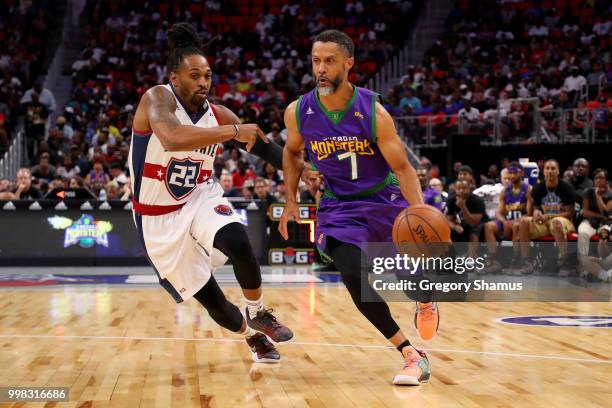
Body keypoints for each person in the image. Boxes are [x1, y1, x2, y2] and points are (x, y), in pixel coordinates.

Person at [128, 23, 298, 364]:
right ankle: (250, 335)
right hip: (156, 219)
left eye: (207, 75)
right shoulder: (157, 99)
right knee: (215, 303)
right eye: (195, 75)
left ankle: (258, 311)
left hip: (198, 197)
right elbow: (173, 138)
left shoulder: (216, 114)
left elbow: (263, 147)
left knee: (238, 241)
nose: (204, 82)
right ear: (175, 78)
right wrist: (234, 130)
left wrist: (302, 170)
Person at [279, 30, 433, 386]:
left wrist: (420, 210)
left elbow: (403, 167)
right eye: (316, 61)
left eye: (329, 61)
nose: (321, 68)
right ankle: (412, 355)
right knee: (352, 273)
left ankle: (424, 298)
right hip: (338, 207)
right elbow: (291, 151)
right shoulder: (298, 112)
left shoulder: (372, 111)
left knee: (402, 272)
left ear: (348, 63)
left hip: (382, 199)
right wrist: (290, 199)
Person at [516, 160, 576, 275]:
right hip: (544, 222)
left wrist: (548, 216)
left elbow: (569, 214)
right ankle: (526, 262)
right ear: (543, 171)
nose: (550, 171)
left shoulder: (566, 188)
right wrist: (537, 212)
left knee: (556, 222)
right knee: (523, 221)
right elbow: (536, 207)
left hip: (563, 221)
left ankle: (564, 262)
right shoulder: (538, 187)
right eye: (547, 168)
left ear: (558, 171)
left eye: (553, 168)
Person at [483, 162, 529, 272]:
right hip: (508, 221)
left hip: (521, 222)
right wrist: (504, 222)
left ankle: (518, 261)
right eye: (510, 173)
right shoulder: (505, 191)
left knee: (516, 225)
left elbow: (530, 213)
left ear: (521, 174)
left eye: (515, 173)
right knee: (488, 226)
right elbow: (499, 212)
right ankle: (495, 260)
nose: (512, 176)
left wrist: (514, 222)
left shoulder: (527, 189)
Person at [446, 179, 488, 257]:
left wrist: (463, 207)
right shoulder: (451, 200)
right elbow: (448, 219)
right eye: (459, 188)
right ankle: (450, 257)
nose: (461, 191)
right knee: (447, 230)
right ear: (455, 189)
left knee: (473, 232)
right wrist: (455, 226)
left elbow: (473, 223)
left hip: (480, 225)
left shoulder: (477, 201)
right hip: (463, 224)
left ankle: (470, 259)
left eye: (464, 188)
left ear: (469, 188)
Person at [577, 169, 611, 262]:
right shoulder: (588, 192)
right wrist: (600, 215)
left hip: (605, 223)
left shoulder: (610, 194)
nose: (598, 180)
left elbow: (606, 213)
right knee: (583, 234)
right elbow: (585, 212)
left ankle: (603, 264)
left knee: (605, 235)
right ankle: (583, 263)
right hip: (590, 222)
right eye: (596, 178)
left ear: (606, 180)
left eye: (601, 178)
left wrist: (598, 196)